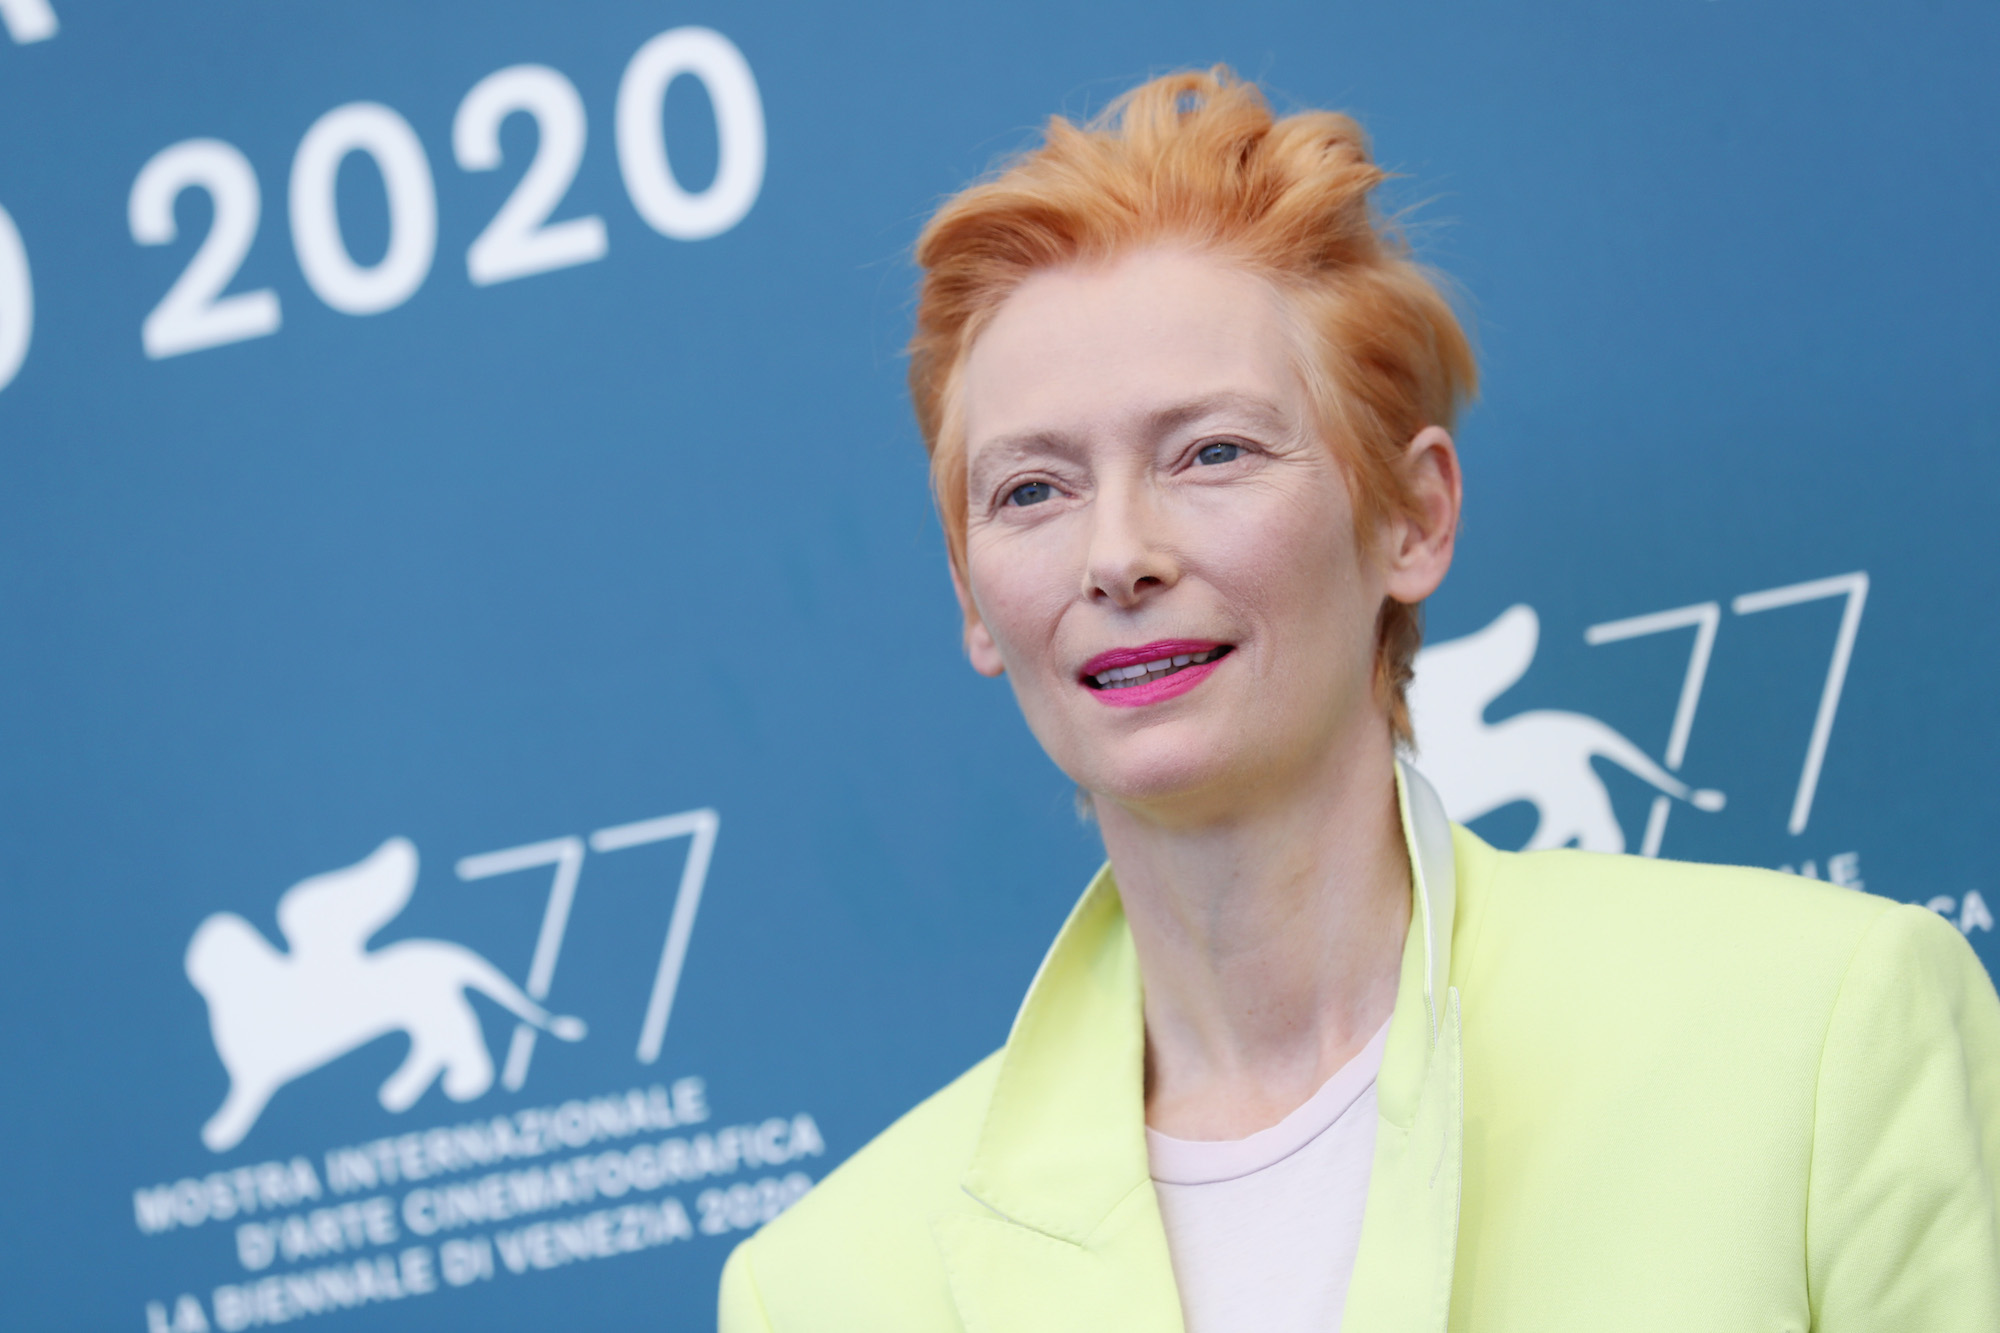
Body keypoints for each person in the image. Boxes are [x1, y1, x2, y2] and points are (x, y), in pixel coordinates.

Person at [718, 68, 2000, 1332]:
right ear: (969, 596)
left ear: (1410, 517)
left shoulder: (1820, 1031)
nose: (1116, 555)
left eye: (1210, 451)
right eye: (1032, 491)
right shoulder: (827, 1290)